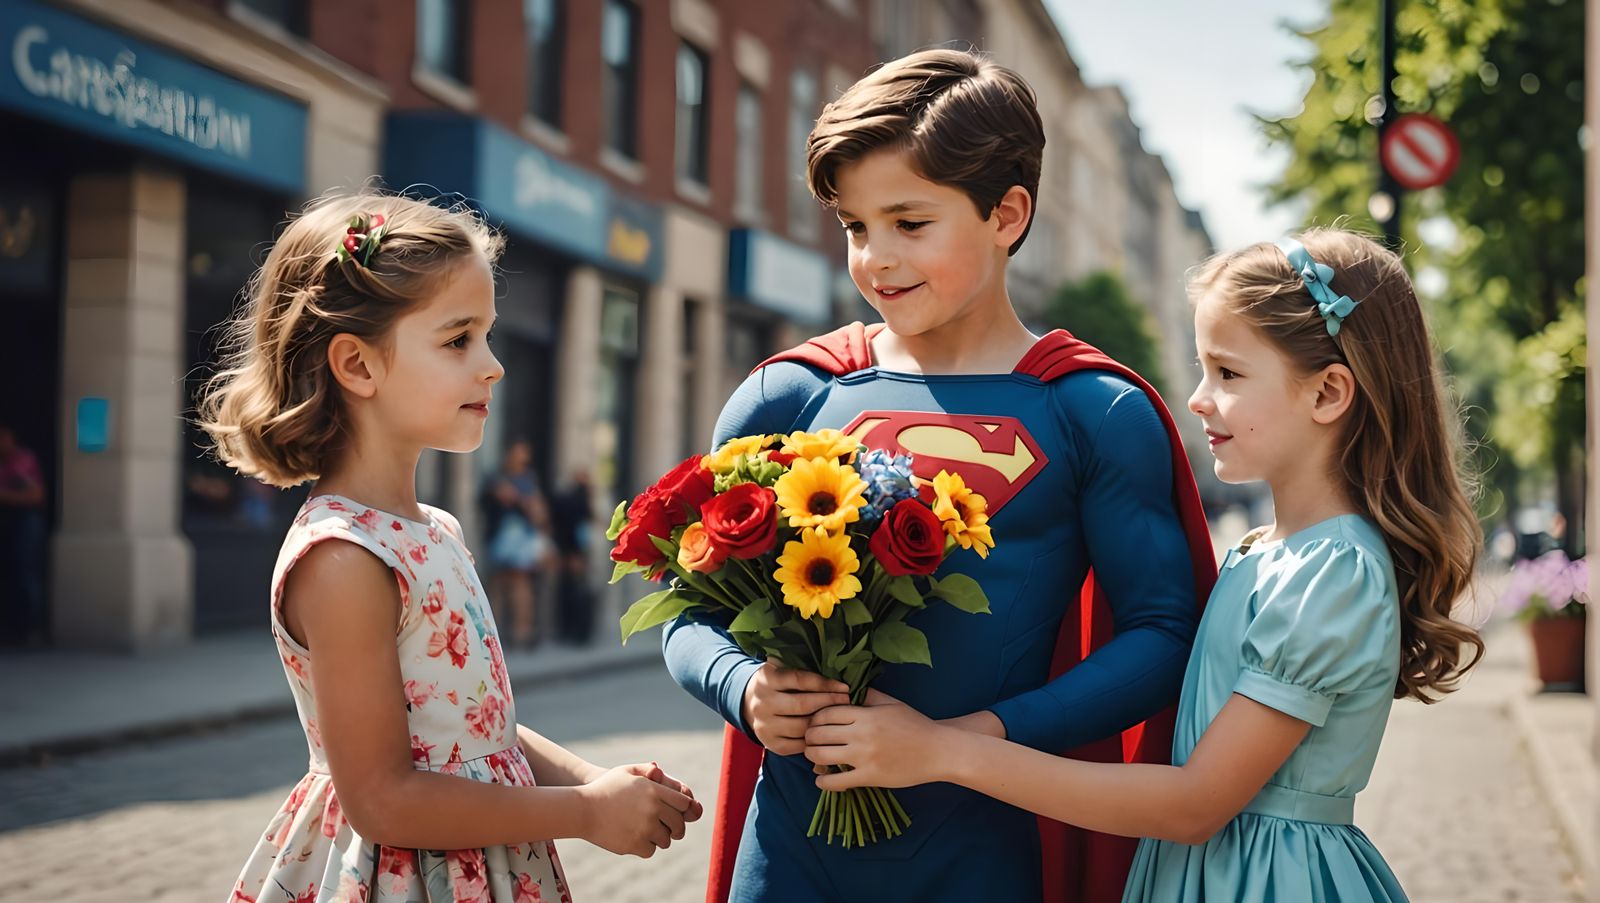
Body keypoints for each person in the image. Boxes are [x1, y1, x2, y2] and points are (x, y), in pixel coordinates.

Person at [661, 49, 1216, 902]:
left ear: (1008, 212)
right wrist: (743, 686)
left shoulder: (1093, 409)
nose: (876, 259)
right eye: (855, 227)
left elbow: (1161, 633)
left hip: (986, 849)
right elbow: (688, 604)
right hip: (791, 853)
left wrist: (971, 740)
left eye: (909, 224)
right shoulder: (789, 392)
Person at [804, 229, 1485, 902]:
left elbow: (1195, 803)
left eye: (1228, 373)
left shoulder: (1330, 570)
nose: (1197, 398)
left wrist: (940, 752)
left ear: (1328, 392)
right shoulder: (1264, 551)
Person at [197, 190, 700, 902]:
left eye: (488, 336)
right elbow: (383, 796)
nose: (492, 365)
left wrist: (593, 782)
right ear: (359, 365)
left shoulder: (437, 529)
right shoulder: (344, 557)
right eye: (459, 338)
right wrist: (583, 813)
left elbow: (482, 733)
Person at [481, 439, 550, 647]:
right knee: (500, 584)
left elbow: (538, 511)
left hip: (518, 538)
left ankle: (521, 631)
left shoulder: (526, 481)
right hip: (503, 537)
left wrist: (520, 500)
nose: (522, 459)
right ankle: (501, 632)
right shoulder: (498, 479)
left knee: (518, 583)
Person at [0, 424, 47, 647]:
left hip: (23, 522)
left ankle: (31, 629)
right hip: (9, 522)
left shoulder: (21, 461)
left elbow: (34, 496)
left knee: (24, 573)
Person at [548, 469, 597, 645]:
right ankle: (575, 632)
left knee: (568, 589)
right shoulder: (579, 501)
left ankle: (568, 630)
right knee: (575, 590)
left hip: (568, 551)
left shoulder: (569, 499)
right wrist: (575, 555)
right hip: (573, 551)